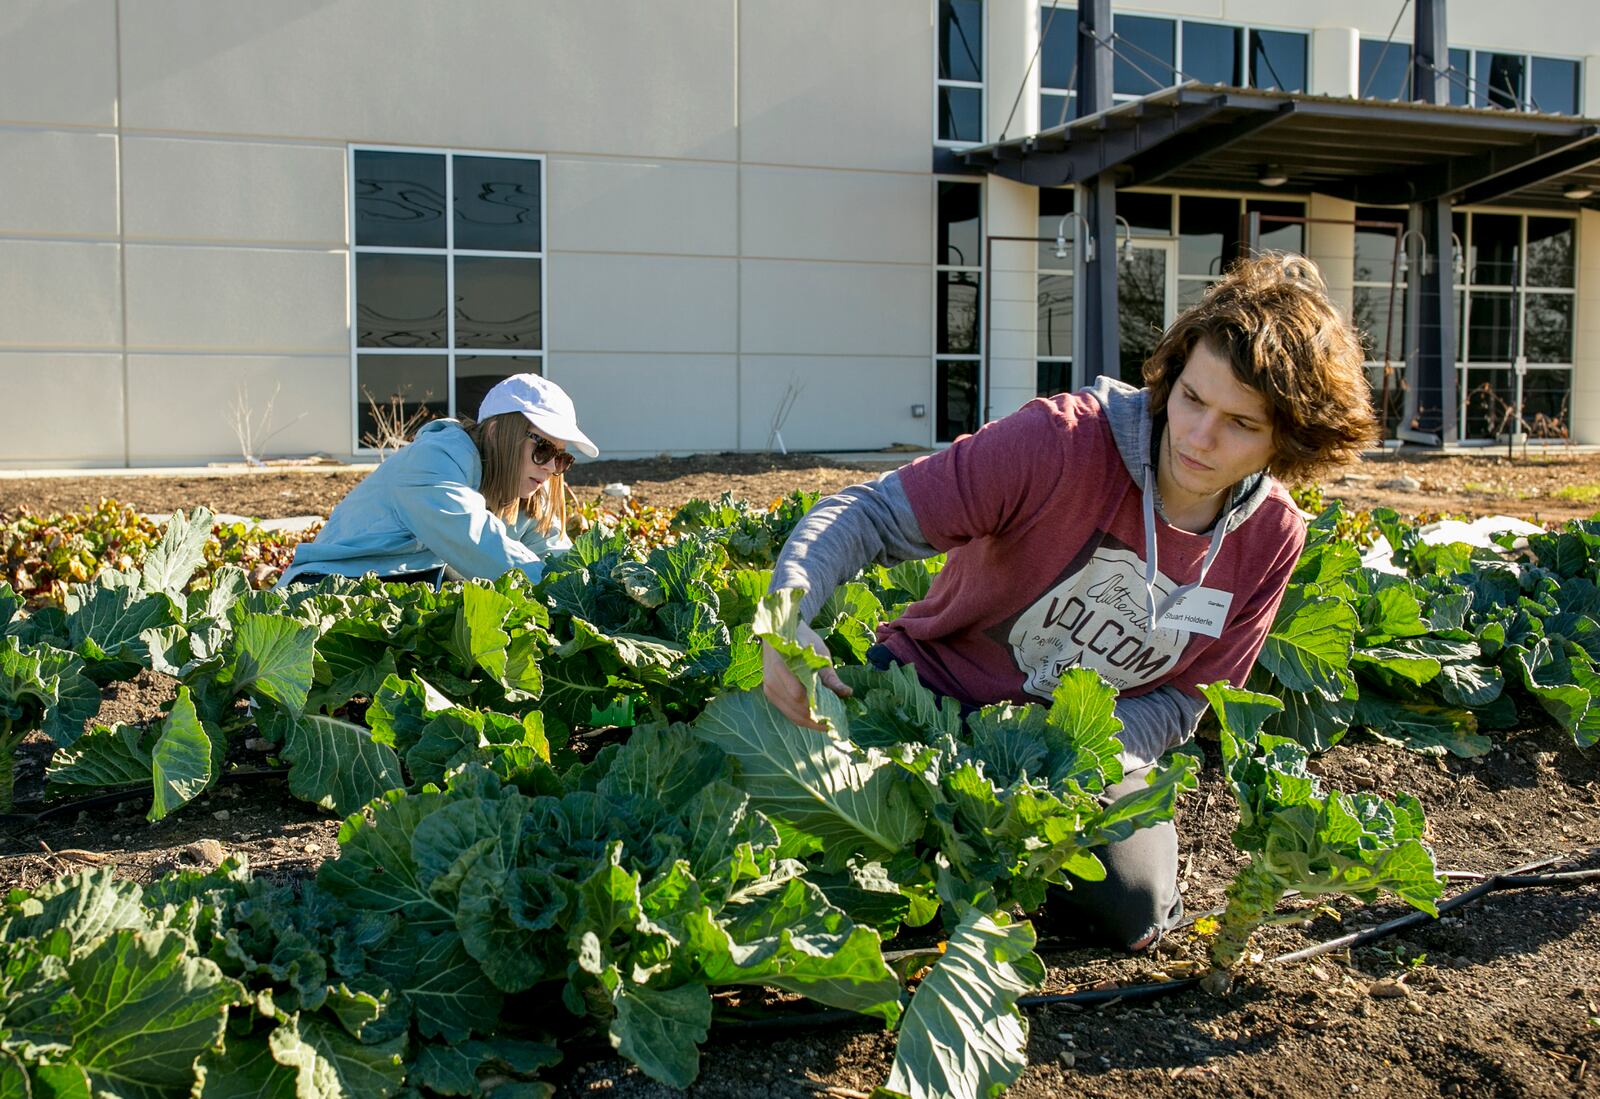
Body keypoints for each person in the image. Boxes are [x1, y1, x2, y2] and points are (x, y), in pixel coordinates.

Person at [762, 253, 1378, 952]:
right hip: (929, 700)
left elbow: (1182, 702)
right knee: (850, 868)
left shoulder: (1271, 537)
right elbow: (869, 514)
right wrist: (789, 615)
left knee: (1134, 909)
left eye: (1241, 423)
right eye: (1192, 398)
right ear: (1171, 377)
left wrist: (1069, 755)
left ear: (1287, 440)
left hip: (1073, 756)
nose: (1200, 437)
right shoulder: (1061, 442)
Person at [279, 373, 597, 587]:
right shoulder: (434, 460)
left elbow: (556, 555)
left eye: (562, 457)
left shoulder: (526, 488)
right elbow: (476, 542)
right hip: (326, 585)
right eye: (542, 448)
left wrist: (590, 589)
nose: (551, 466)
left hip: (407, 585)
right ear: (497, 432)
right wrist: (560, 593)